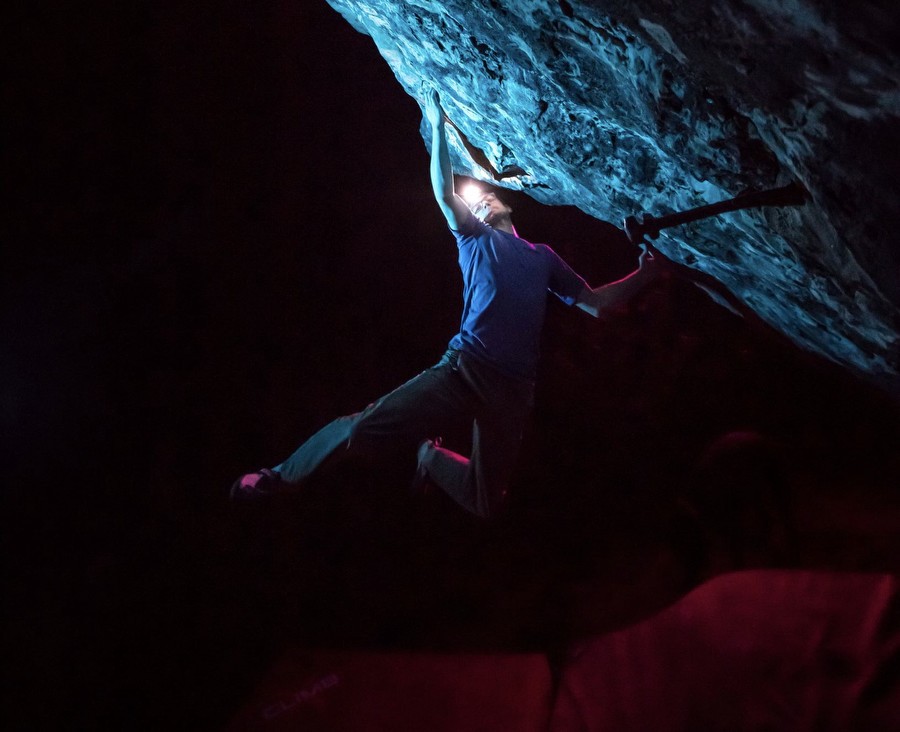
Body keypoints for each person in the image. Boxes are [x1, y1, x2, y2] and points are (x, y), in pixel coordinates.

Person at [231, 89, 663, 518]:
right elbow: (443, 193)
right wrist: (437, 126)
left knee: (486, 499)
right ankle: (279, 475)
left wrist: (646, 274)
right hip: (464, 369)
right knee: (362, 429)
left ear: (504, 202)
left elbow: (595, 303)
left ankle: (428, 457)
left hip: (511, 391)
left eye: (484, 197)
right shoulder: (474, 238)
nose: (478, 202)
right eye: (473, 202)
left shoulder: (542, 257)